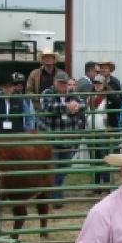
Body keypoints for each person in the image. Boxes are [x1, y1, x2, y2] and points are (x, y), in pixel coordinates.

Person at [38, 71, 87, 203]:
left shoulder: (72, 94)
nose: (63, 86)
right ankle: (55, 196)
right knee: (53, 168)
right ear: (55, 82)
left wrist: (76, 106)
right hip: (51, 139)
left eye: (65, 83)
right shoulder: (47, 93)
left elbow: (84, 104)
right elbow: (48, 106)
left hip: (67, 138)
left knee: (64, 168)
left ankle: (57, 194)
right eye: (60, 83)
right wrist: (68, 107)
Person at [96, 57, 122, 129]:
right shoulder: (96, 81)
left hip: (112, 117)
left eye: (106, 68)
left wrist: (106, 87)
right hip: (97, 118)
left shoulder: (115, 82)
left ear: (110, 70)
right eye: (101, 68)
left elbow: (118, 101)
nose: (103, 70)